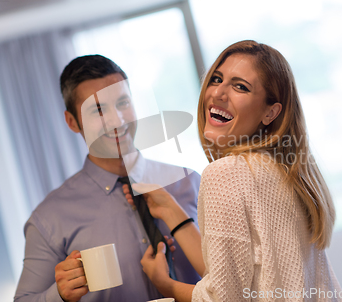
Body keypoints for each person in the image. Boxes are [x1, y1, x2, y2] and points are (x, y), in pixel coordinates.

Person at [124, 40, 342, 301]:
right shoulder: (288, 173)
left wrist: (166, 285)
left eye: (240, 86)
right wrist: (170, 211)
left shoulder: (226, 173)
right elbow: (237, 278)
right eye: (217, 79)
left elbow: (223, 297)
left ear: (270, 112)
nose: (218, 93)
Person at [14, 55, 201, 302]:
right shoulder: (49, 218)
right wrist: (57, 295)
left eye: (122, 102)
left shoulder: (190, 183)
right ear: (72, 122)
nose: (116, 120)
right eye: (98, 110)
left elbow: (231, 277)